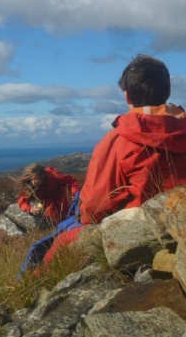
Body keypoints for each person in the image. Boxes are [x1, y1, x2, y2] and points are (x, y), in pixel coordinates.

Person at [42, 54, 186, 264]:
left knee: (54, 245)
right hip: (179, 222)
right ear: (167, 91)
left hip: (140, 231)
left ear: (127, 96)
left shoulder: (118, 141)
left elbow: (95, 207)